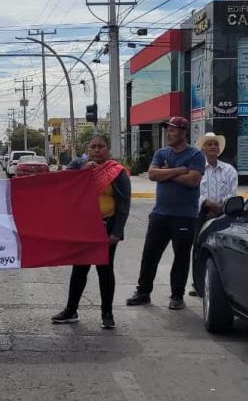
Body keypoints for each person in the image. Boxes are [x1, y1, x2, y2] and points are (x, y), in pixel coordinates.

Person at [51, 135, 131, 329]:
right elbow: (63, 182)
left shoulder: (116, 171)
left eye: (101, 147)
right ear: (88, 149)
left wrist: (117, 232)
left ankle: (107, 313)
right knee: (79, 269)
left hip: (107, 227)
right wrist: (81, 172)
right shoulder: (79, 163)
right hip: (83, 228)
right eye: (93, 147)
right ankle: (71, 310)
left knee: (105, 270)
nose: (97, 150)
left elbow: (124, 204)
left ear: (108, 149)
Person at [127, 116, 205, 311]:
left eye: (173, 130)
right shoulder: (161, 152)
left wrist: (167, 173)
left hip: (185, 215)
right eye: (168, 130)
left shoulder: (196, 155)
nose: (169, 133)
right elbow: (152, 174)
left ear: (184, 132)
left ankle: (177, 296)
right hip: (160, 214)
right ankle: (143, 292)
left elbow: (193, 181)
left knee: (181, 256)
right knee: (150, 254)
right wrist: (178, 170)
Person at [189, 132, 238, 298]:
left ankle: (221, 283)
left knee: (221, 248)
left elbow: (232, 193)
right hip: (201, 214)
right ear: (203, 148)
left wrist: (219, 208)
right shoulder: (197, 169)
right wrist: (208, 205)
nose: (212, 147)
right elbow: (195, 192)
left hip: (223, 213)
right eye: (209, 144)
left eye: (215, 144)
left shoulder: (229, 170)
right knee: (198, 248)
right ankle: (198, 285)